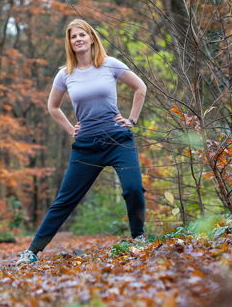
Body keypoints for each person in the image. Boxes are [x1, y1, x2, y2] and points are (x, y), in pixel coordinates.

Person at [17, 19, 148, 264]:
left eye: (81, 35)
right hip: (86, 146)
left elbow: (141, 87)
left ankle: (139, 237)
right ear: (69, 43)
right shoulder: (65, 74)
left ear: (91, 38)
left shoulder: (110, 65)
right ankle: (32, 251)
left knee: (133, 189)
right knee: (65, 200)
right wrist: (70, 129)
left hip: (118, 140)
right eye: (73, 37)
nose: (77, 39)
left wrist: (131, 120)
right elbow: (52, 106)